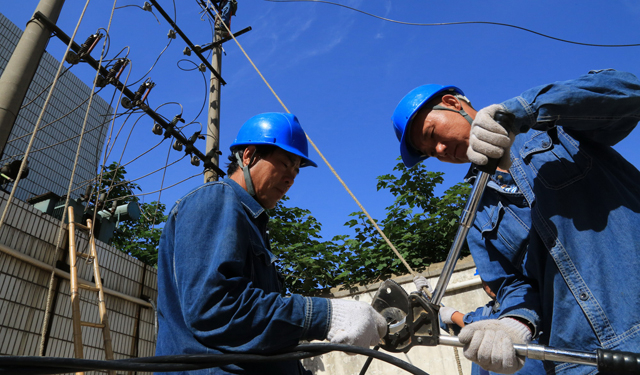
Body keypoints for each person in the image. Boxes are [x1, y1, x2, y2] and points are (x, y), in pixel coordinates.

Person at [394, 69, 640, 374]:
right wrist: (515, 322)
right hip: (581, 362)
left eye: (432, 135)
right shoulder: (476, 215)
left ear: (452, 103)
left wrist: (517, 113)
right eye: (431, 153)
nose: (440, 151)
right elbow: (513, 285)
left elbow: (628, 92)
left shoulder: (557, 131)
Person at [155, 112, 387, 375]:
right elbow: (214, 309)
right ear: (248, 156)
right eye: (284, 165)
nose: (291, 179)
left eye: (296, 172)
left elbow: (261, 339)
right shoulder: (217, 200)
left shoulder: (251, 224)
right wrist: (324, 315)